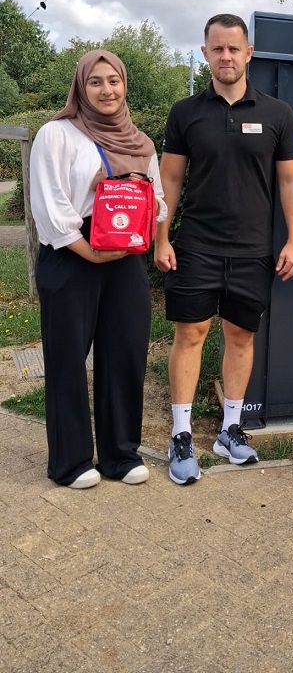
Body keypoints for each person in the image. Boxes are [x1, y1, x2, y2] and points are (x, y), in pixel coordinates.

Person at [155, 13, 293, 485]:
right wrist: (161, 236)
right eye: (217, 48)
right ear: (205, 53)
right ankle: (181, 435)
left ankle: (229, 431)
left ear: (248, 53)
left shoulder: (278, 113)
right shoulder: (185, 112)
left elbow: (290, 180)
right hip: (196, 245)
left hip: (253, 249)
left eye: (234, 48)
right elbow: (170, 178)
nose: (226, 56)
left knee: (240, 336)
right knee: (191, 333)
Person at [30, 50, 167, 489]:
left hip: (125, 254)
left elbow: (159, 203)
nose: (106, 90)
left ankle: (120, 455)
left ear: (125, 85)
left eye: (114, 81)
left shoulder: (141, 143)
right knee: (68, 356)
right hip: (72, 251)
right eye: (95, 82)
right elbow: (49, 201)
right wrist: (87, 250)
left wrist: (142, 197)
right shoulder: (56, 134)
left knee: (125, 351)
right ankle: (70, 461)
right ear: (80, 87)